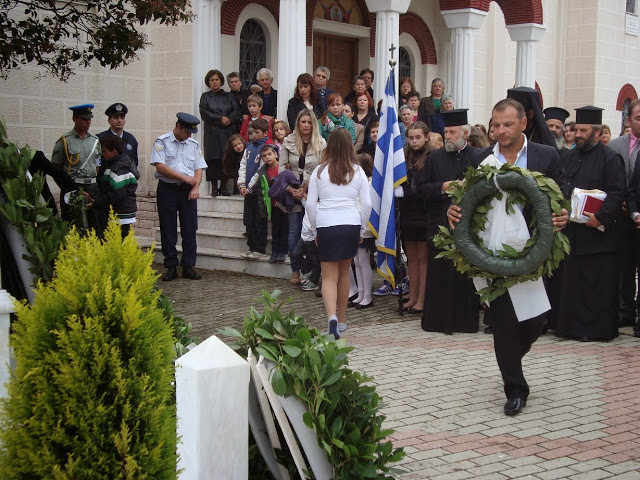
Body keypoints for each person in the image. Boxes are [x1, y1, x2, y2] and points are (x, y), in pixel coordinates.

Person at [448, 98, 568, 416]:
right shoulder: (480, 157)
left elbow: (562, 194)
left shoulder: (547, 156)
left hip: (534, 251)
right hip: (491, 252)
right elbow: (465, 198)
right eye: (495, 125)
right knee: (503, 322)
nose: (500, 131)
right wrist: (453, 210)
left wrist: (562, 214)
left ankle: (512, 357)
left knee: (535, 320)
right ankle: (515, 388)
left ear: (524, 123)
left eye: (507, 124)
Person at [553, 106, 626, 342]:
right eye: (577, 130)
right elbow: (561, 186)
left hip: (598, 235)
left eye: (584, 131)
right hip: (573, 233)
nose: (578, 135)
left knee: (596, 286)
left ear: (596, 133)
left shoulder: (610, 158)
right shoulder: (568, 156)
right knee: (572, 283)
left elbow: (617, 192)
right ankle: (569, 328)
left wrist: (601, 217)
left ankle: (596, 331)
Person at [419, 109, 481, 334]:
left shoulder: (478, 156)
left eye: (453, 132)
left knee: (464, 277)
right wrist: (443, 188)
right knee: (440, 276)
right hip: (439, 226)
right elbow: (422, 189)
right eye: (446, 132)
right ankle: (437, 322)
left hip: (468, 227)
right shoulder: (434, 158)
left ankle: (465, 322)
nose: (448, 137)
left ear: (465, 133)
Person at [306, 128, 372, 339]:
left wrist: (315, 229)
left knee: (328, 277)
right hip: (350, 223)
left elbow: (310, 205)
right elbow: (367, 204)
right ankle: (342, 320)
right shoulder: (358, 171)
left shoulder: (319, 172)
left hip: (326, 224)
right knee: (344, 274)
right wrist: (361, 228)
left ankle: (331, 317)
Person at [151, 112, 207, 281]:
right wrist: (184, 178)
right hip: (167, 189)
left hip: (188, 191)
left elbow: (198, 168)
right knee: (168, 228)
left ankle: (188, 265)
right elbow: (160, 167)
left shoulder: (193, 144)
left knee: (190, 228)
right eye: (187, 132)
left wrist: (195, 187)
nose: (190, 135)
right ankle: (171, 266)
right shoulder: (162, 142)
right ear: (178, 127)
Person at [601, 99, 640, 331]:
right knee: (624, 265)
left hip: (636, 211)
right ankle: (625, 310)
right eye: (638, 117)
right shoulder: (615, 146)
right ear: (629, 120)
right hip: (620, 216)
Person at [279, 109, 327, 284]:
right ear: (298, 123)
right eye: (303, 122)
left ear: (313, 124)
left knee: (310, 232)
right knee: (293, 231)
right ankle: (295, 270)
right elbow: (281, 170)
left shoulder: (321, 143)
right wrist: (291, 190)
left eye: (309, 122)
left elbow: (323, 170)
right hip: (291, 192)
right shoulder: (288, 141)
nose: (306, 125)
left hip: (312, 193)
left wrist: (307, 188)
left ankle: (312, 270)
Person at [51, 104, 102, 229]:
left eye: (89, 119)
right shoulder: (64, 141)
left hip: (92, 188)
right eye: (84, 119)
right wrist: (68, 187)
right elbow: (55, 169)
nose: (88, 122)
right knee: (72, 223)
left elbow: (97, 165)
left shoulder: (95, 141)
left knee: (93, 224)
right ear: (75, 119)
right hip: (73, 187)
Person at [399, 121, 432, 314]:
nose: (414, 141)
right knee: (411, 258)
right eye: (411, 137)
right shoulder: (404, 156)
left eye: (418, 137)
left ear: (426, 137)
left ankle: (423, 298)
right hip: (408, 212)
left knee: (423, 258)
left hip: (424, 211)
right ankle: (413, 295)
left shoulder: (431, 157)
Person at [199, 69, 242, 196]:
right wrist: (220, 118)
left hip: (227, 132)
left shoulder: (229, 96)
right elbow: (204, 113)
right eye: (212, 80)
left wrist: (229, 119)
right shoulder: (205, 97)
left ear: (221, 81)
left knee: (226, 158)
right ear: (208, 82)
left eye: (216, 80)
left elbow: (236, 111)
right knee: (213, 159)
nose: (214, 82)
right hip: (212, 133)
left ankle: (223, 187)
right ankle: (214, 188)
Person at [246, 142, 289, 263]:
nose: (267, 157)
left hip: (283, 203)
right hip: (272, 204)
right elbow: (255, 182)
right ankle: (275, 251)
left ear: (275, 154)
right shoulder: (262, 171)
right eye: (264, 156)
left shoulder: (282, 167)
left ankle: (283, 251)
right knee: (275, 228)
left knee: (284, 228)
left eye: (269, 154)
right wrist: (248, 189)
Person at [89, 135, 139, 238]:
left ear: (114, 152)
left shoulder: (118, 169)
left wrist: (97, 202)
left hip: (120, 214)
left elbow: (116, 194)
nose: (103, 154)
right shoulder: (120, 164)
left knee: (117, 241)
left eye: (105, 151)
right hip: (121, 212)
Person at [238, 119, 270, 258]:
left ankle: (259, 248)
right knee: (249, 220)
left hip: (259, 192)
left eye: (257, 132)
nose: (254, 135)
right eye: (253, 132)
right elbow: (243, 166)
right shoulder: (249, 148)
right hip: (248, 192)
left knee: (259, 220)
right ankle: (251, 247)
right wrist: (242, 185)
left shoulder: (267, 148)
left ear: (265, 133)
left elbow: (261, 171)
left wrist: (250, 187)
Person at [349, 148, 375, 310]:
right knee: (357, 261)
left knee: (364, 262)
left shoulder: (370, 183)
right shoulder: (359, 182)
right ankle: (360, 292)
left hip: (365, 227)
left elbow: (366, 205)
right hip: (356, 225)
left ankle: (368, 296)